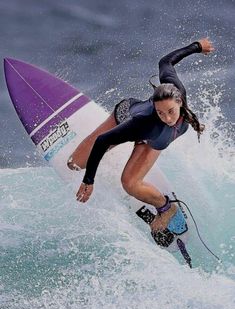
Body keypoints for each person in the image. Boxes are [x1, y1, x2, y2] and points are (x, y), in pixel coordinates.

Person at [67, 38, 214, 239]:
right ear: (155, 109)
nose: (168, 118)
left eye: (171, 111)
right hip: (128, 118)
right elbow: (102, 141)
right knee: (74, 164)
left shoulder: (176, 91)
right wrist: (88, 180)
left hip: (154, 140)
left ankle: (165, 208)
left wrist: (197, 47)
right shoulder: (142, 122)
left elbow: (165, 62)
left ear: (179, 101)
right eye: (161, 113)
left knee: (129, 183)